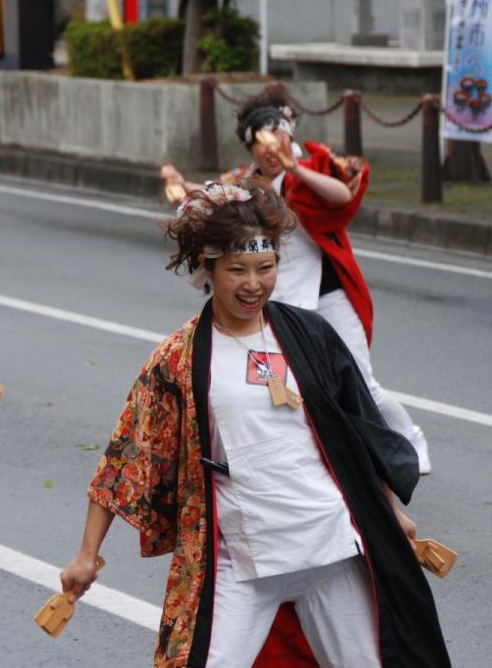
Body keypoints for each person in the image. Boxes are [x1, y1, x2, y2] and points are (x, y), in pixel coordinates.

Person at [59, 180, 453, 668]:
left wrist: (390, 512)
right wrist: (87, 555)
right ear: (207, 268)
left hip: (328, 547)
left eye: (265, 269)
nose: (253, 284)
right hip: (243, 563)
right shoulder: (178, 359)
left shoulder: (309, 334)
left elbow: (359, 433)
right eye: (237, 271)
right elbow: (128, 456)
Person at [160, 94, 433, 474]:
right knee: (282, 380)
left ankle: (409, 441)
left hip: (330, 294)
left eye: (278, 136)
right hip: (283, 297)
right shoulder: (247, 185)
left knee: (360, 383)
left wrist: (297, 169)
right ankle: (304, 453)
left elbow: (342, 194)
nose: (272, 149)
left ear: (290, 135)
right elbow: (209, 191)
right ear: (251, 147)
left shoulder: (316, 165)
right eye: (262, 142)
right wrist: (177, 182)